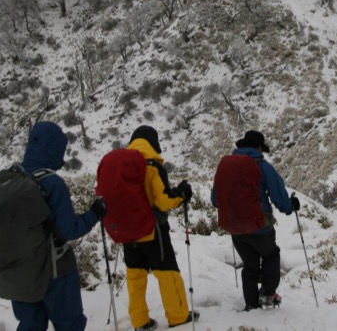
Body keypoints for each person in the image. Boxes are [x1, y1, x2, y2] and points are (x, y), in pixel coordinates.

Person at [13, 121, 108, 331]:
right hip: (54, 270)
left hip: (19, 274)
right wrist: (94, 213)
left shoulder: (11, 179)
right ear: (54, 148)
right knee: (69, 324)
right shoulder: (52, 183)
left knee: (30, 326)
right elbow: (68, 230)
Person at [211, 130, 300, 311]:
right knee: (271, 255)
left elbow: (215, 200)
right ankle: (267, 294)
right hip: (260, 227)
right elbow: (279, 197)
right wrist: (291, 206)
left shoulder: (227, 167)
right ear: (259, 147)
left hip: (235, 228)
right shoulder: (262, 166)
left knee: (250, 265)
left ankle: (251, 304)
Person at [122, 125, 199, 331]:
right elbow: (163, 201)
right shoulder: (152, 166)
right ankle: (178, 316)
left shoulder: (122, 166)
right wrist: (181, 194)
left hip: (128, 232)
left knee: (135, 277)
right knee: (167, 273)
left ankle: (139, 321)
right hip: (153, 231)